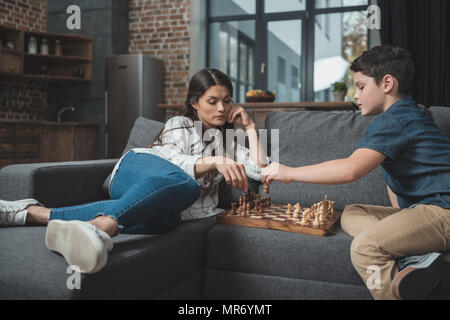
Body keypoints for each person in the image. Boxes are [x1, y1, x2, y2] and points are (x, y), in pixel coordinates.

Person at [0, 68, 268, 274]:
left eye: (227, 101)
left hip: (159, 198)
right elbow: (175, 166)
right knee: (186, 184)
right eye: (213, 101)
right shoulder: (179, 124)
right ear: (195, 102)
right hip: (134, 170)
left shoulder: (229, 143)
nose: (221, 108)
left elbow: (261, 169)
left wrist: (251, 128)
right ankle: (103, 227)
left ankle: (36, 214)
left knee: (169, 221)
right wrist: (215, 162)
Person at [262, 45, 450, 300]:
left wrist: (289, 172)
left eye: (361, 87)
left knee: (365, 248)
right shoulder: (404, 114)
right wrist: (400, 224)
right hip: (428, 210)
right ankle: (414, 257)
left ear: (387, 83)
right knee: (352, 212)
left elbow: (350, 170)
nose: (355, 95)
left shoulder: (394, 119)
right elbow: (395, 181)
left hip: (443, 211)